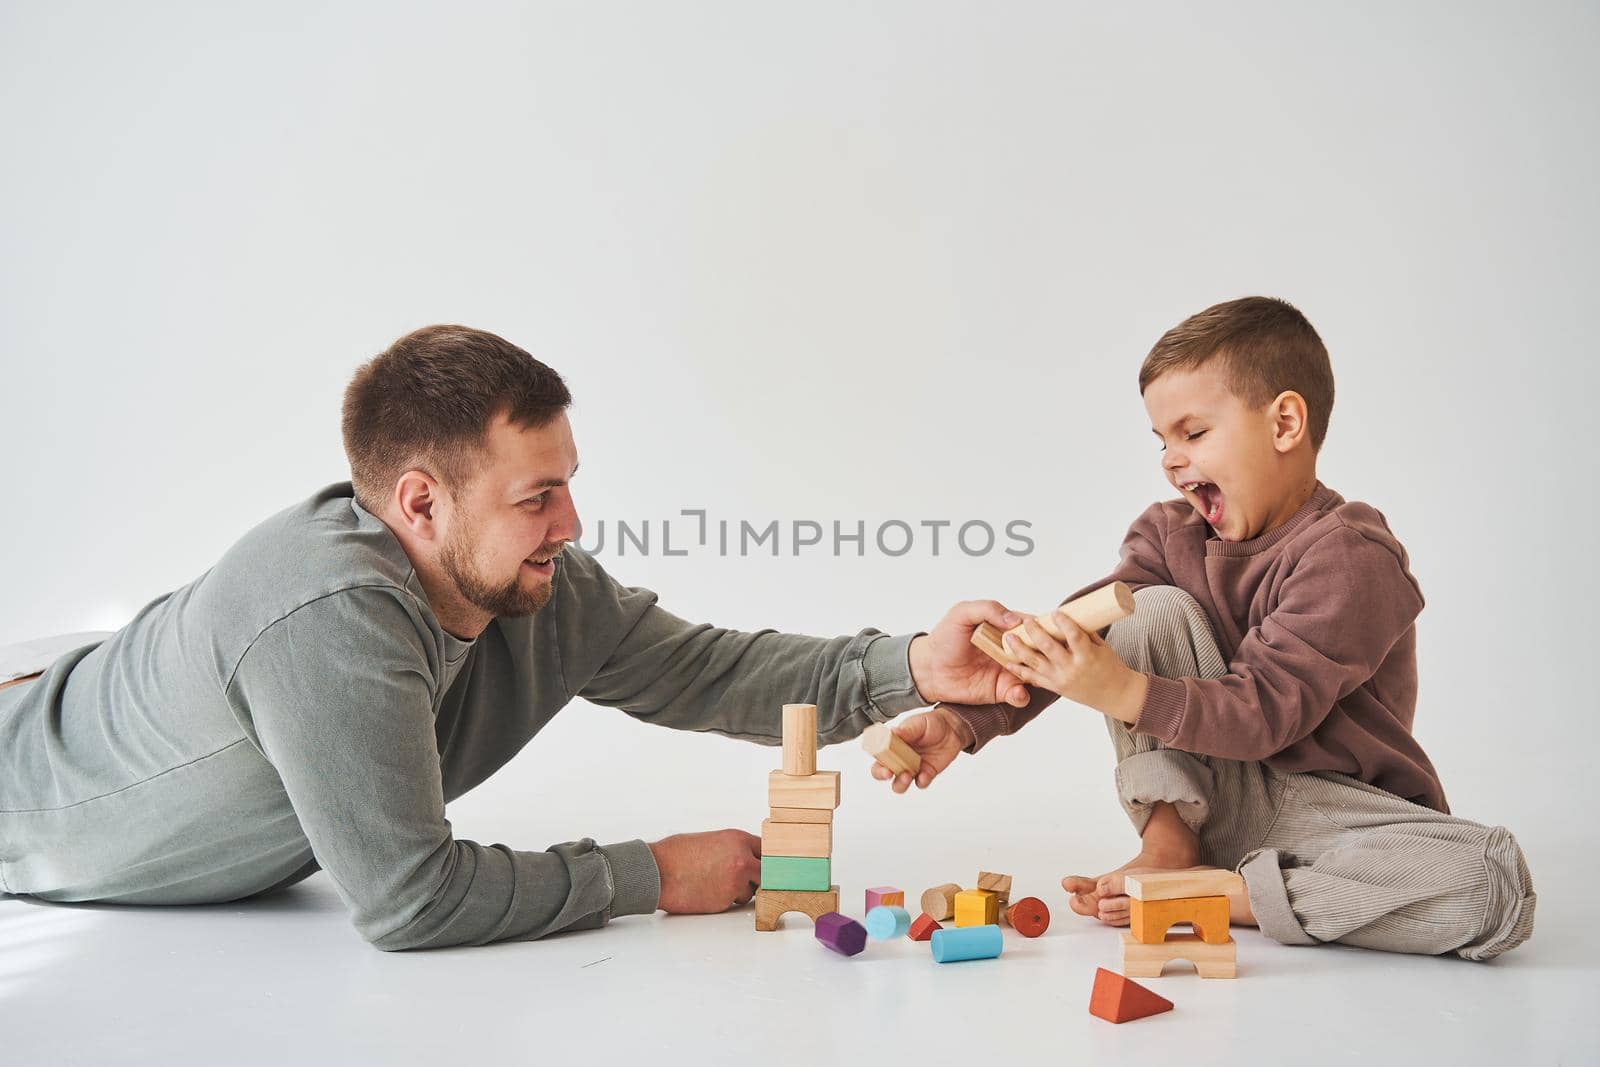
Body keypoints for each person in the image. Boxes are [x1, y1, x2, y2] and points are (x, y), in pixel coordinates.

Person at [0, 324, 1032, 951]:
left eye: (569, 483)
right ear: (420, 501)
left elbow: (708, 667)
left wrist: (908, 666)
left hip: (95, 683)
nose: (572, 524)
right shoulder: (328, 618)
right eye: (537, 496)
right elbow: (411, 899)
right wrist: (651, 872)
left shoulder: (531, 584)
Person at [871, 296, 1536, 960]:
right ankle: (1170, 845)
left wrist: (1124, 691)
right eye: (1161, 440)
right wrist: (964, 722)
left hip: (1333, 814)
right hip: (1211, 792)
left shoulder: (1352, 556)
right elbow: (1075, 641)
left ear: (1284, 423)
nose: (1169, 459)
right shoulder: (1170, 534)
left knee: (1490, 883)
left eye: (1193, 433)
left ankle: (1220, 893)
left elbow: (1266, 710)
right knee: (1148, 608)